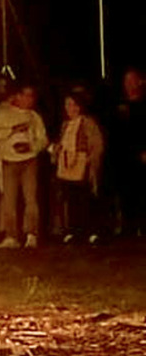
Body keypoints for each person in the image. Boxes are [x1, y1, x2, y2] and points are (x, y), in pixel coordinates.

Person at [0, 84, 48, 248]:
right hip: (9, 160)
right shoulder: (3, 114)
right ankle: (11, 236)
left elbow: (43, 139)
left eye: (32, 96)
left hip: (29, 161)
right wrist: (13, 130)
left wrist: (32, 147)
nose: (29, 100)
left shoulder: (34, 117)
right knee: (9, 200)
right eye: (26, 95)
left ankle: (31, 234)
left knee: (30, 198)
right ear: (17, 96)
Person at [50, 88, 105, 244]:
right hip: (67, 165)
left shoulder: (88, 123)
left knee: (85, 198)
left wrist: (90, 159)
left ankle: (91, 231)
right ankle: (73, 230)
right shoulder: (65, 125)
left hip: (83, 164)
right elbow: (62, 143)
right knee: (71, 199)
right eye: (67, 105)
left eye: (74, 105)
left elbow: (97, 144)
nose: (71, 109)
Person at [113, 67, 146, 236]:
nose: (129, 85)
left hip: (140, 155)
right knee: (125, 191)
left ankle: (142, 225)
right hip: (122, 155)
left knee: (141, 190)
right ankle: (127, 225)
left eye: (132, 81)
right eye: (126, 81)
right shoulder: (120, 105)